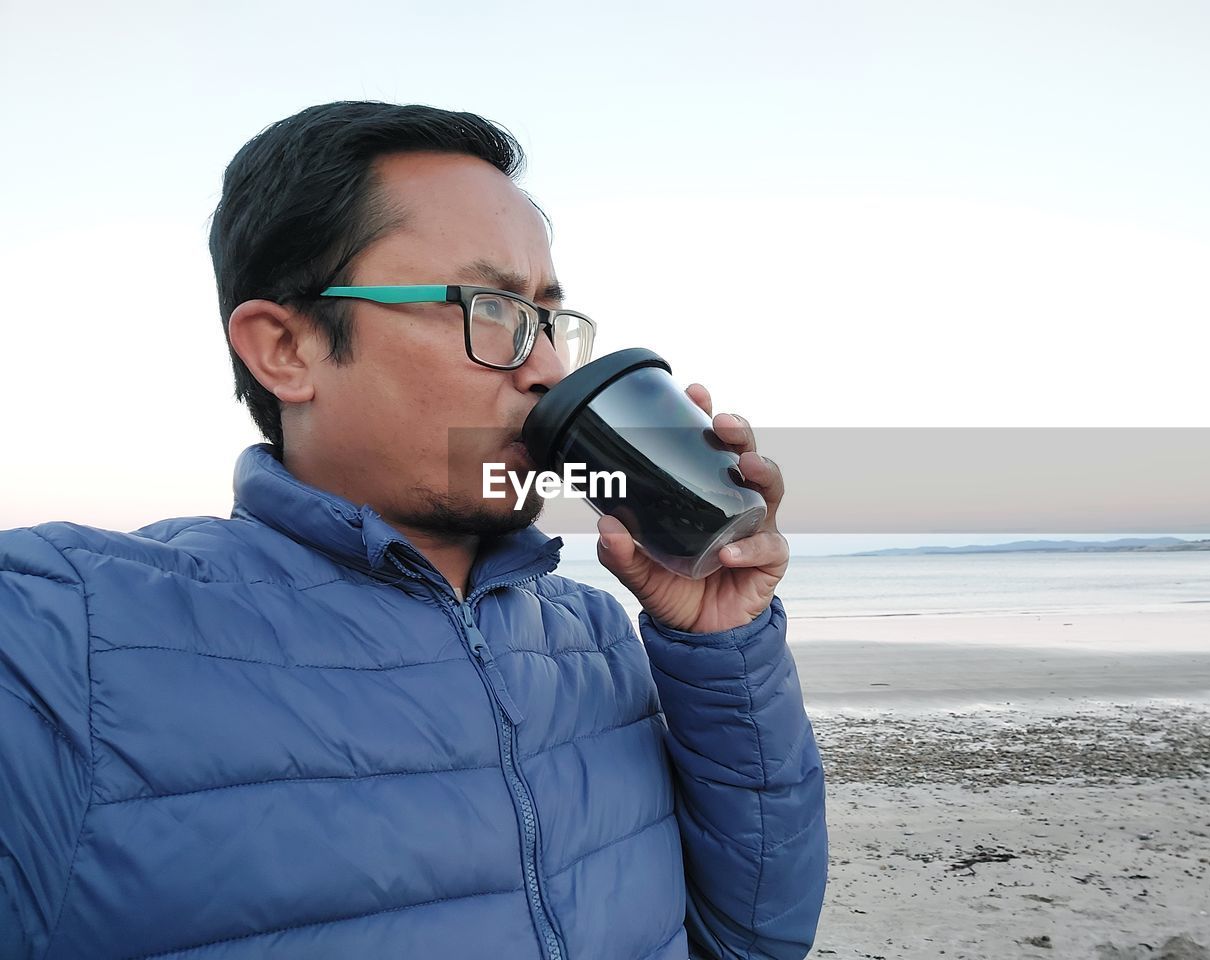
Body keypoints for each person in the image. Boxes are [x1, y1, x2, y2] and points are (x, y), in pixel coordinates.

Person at [0, 101, 827, 960]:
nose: (545, 367)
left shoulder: (591, 636)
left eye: (548, 318)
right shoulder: (66, 637)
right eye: (491, 309)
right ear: (287, 348)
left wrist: (723, 640)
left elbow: (753, 941)